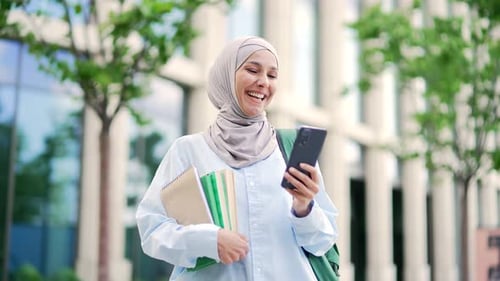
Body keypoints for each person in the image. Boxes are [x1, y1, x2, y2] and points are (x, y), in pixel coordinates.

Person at [136, 36, 338, 281]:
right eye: (253, 70)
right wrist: (210, 241)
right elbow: (153, 231)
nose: (263, 82)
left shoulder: (290, 151)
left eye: (272, 75)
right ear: (227, 76)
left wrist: (304, 208)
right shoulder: (188, 151)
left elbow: (323, 244)